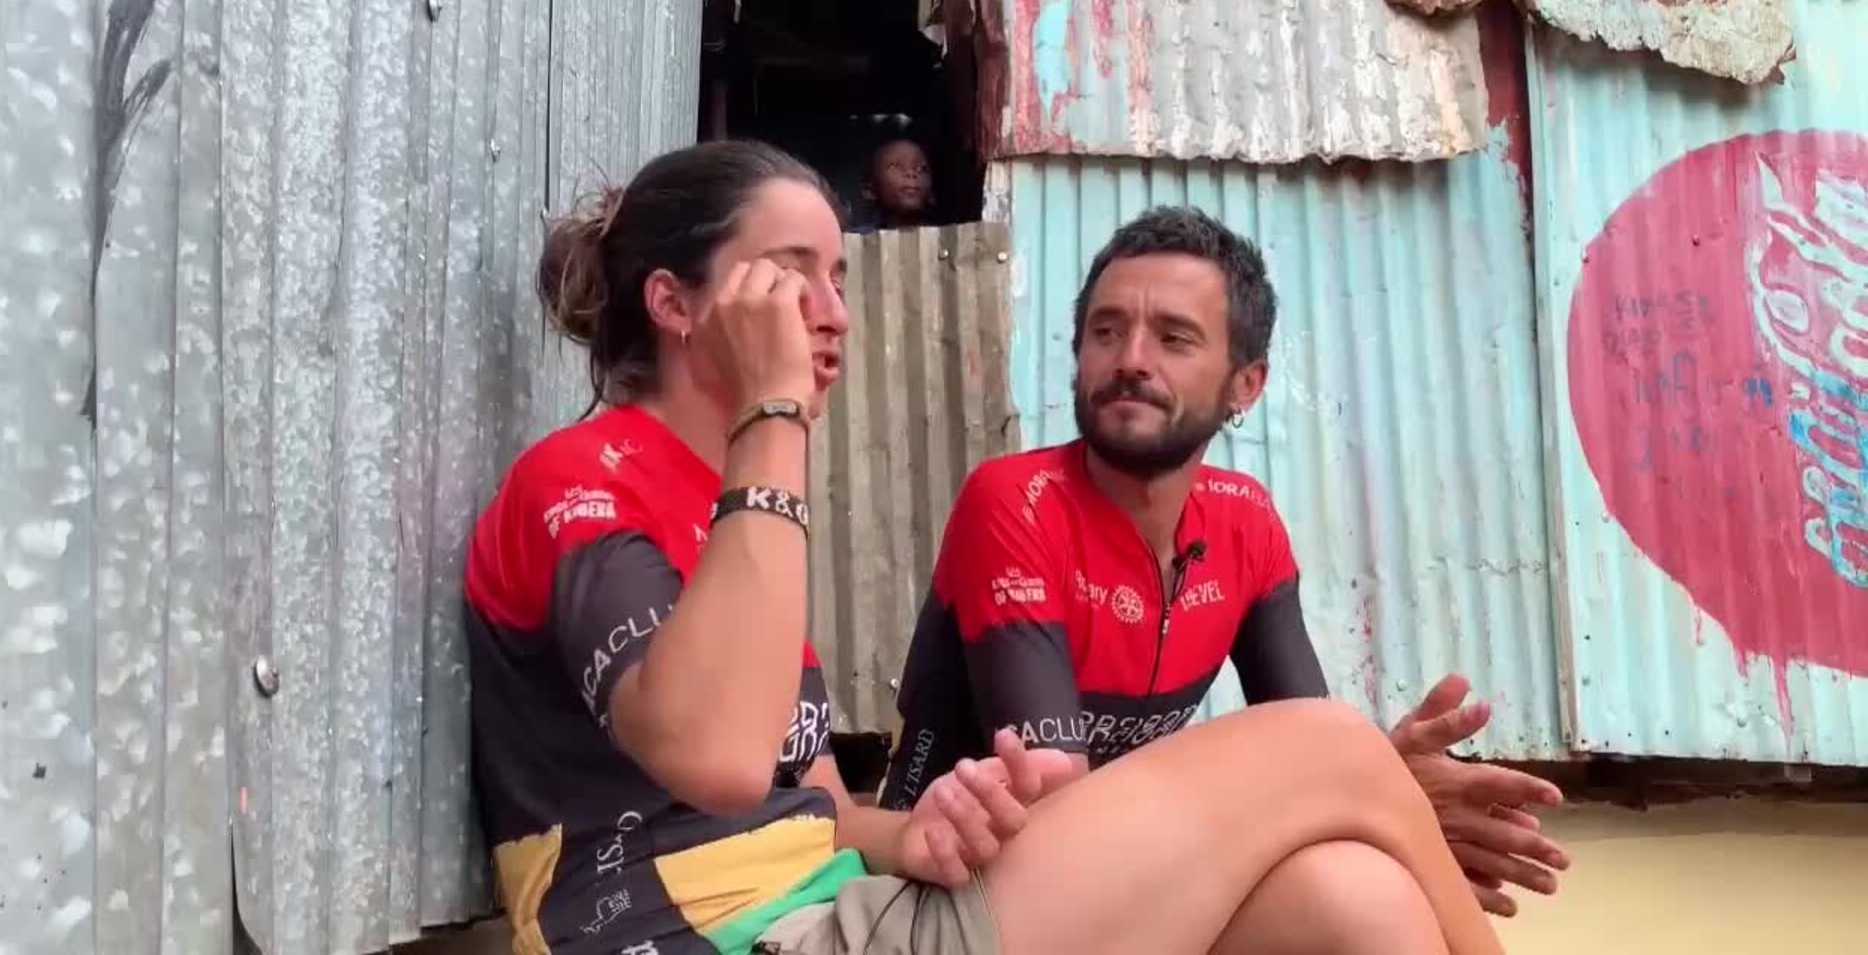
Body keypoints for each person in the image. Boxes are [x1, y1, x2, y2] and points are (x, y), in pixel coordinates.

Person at [464, 140, 1506, 955]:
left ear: (1246, 385)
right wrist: (772, 409)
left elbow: (814, 811)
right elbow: (723, 763)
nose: (834, 313)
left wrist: (918, 833)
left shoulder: (737, 507)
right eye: (792, 276)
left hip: (839, 904)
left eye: (838, 277)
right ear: (674, 303)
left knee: (1351, 902)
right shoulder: (582, 479)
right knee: (1327, 746)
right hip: (712, 938)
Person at [876, 205, 1570, 918]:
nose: (1130, 358)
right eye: (1106, 332)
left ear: (1246, 385)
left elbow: (1307, 750)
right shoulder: (1014, 501)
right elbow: (1061, 806)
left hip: (1130, 881)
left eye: (1173, 337)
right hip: (957, 891)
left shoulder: (1247, 523)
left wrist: (1376, 792)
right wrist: (1377, 791)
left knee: (1364, 893)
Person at [850, 133, 934, 232]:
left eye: (921, 168)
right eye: (895, 166)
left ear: (931, 192)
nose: (911, 173)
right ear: (870, 191)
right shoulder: (858, 238)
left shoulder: (946, 236)